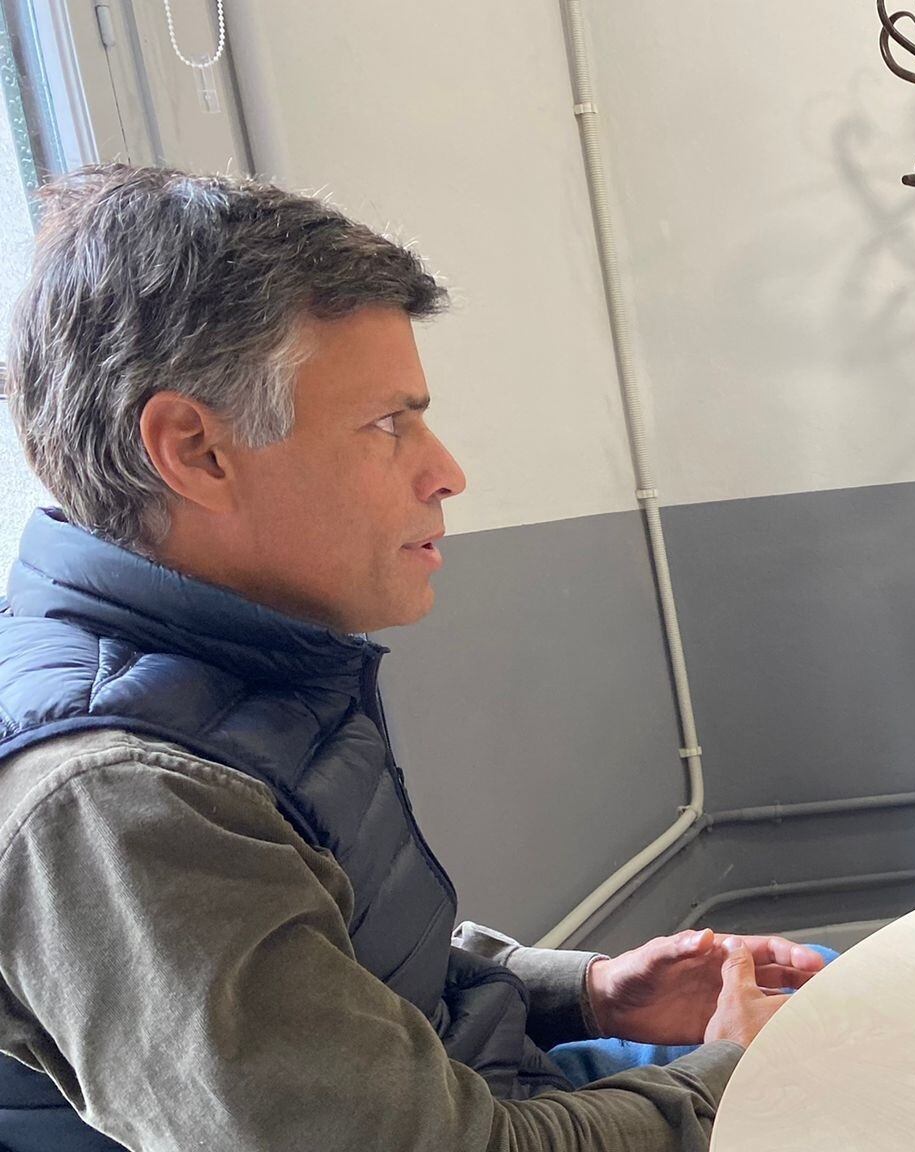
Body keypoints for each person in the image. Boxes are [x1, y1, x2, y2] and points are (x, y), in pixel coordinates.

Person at [0, 165, 826, 1151]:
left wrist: (592, 993)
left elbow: (363, 983)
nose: (447, 472)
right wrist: (728, 1075)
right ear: (193, 448)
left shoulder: (238, 664)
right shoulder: (121, 801)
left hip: (489, 1084)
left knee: (831, 988)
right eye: (389, 423)